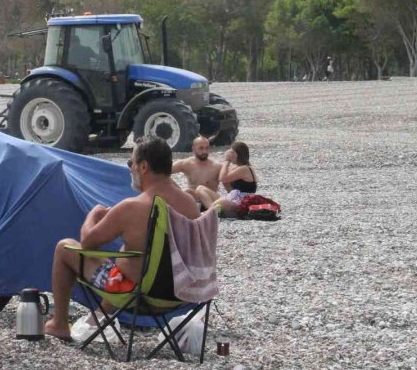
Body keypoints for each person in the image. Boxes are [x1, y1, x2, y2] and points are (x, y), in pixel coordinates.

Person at [43, 136, 201, 341]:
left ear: (143, 167)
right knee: (129, 264)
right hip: (182, 294)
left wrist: (94, 213)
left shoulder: (132, 207)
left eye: (130, 162)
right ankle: (95, 320)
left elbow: (88, 242)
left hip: (141, 296)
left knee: (64, 247)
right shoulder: (190, 204)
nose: (130, 168)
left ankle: (59, 324)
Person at [195, 141, 257, 218]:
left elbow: (222, 179)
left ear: (238, 154)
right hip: (233, 197)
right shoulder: (238, 168)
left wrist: (227, 161)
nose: (230, 154)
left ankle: (210, 212)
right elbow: (229, 189)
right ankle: (214, 211)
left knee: (221, 202)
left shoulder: (244, 169)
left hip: (241, 202)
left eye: (232, 152)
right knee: (200, 189)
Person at [171, 135, 221, 203]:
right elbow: (162, 172)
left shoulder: (217, 166)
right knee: (187, 191)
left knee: (200, 189)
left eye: (207, 148)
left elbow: (230, 182)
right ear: (193, 149)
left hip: (210, 202)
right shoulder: (186, 164)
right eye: (201, 148)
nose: (204, 151)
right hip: (193, 203)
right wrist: (176, 189)